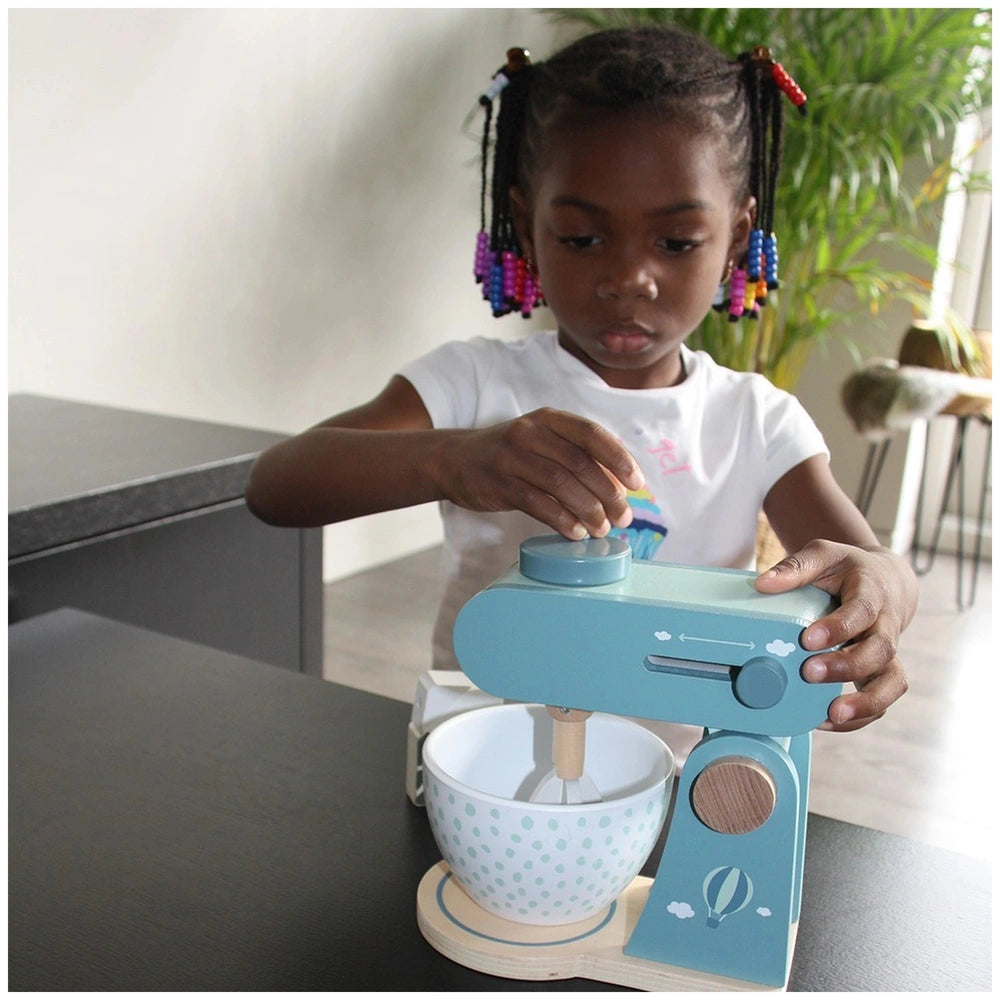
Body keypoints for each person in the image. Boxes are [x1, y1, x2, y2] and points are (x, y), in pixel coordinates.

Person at [246, 26, 916, 734]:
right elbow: (277, 483)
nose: (629, 278)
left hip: (677, 790)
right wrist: (451, 458)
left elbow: (867, 563)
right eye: (582, 239)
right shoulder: (474, 382)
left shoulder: (756, 420)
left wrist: (887, 590)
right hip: (478, 772)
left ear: (737, 244)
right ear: (526, 228)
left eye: (677, 242)